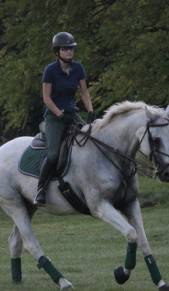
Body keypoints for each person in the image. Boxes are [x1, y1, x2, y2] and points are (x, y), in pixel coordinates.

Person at [33, 32, 95, 207]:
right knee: (53, 153)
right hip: (54, 117)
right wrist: (60, 115)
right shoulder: (50, 70)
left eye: (71, 48)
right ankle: (40, 189)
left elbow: (84, 92)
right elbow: (46, 98)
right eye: (65, 49)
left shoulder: (78, 68)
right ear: (57, 51)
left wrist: (90, 111)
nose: (69, 52)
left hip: (72, 114)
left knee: (91, 141)